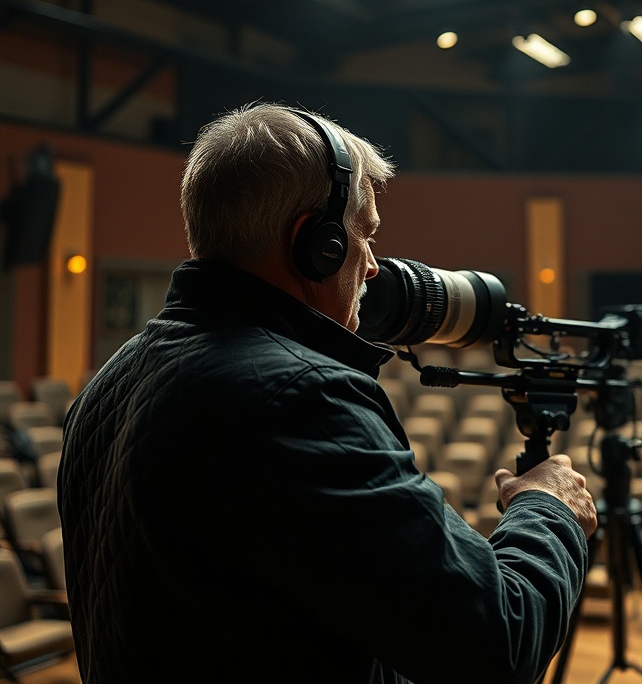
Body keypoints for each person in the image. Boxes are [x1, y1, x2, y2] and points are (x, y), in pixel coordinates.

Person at [58, 102, 598, 684]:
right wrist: (548, 508)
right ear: (315, 244)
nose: (371, 266)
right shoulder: (297, 396)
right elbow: (499, 642)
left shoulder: (108, 385)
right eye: (364, 234)